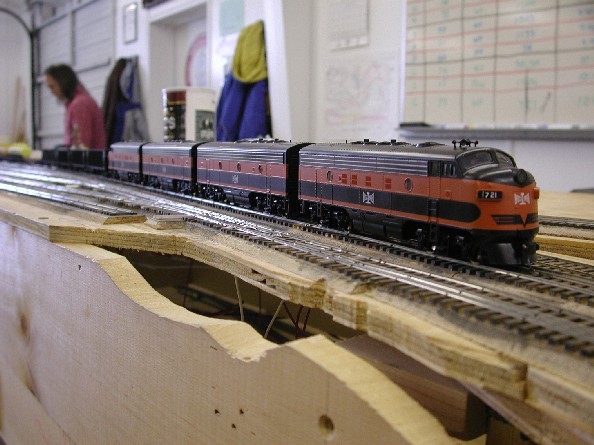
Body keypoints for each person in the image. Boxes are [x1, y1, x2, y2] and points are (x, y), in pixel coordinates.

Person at [45, 64, 106, 149]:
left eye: (52, 87)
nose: (52, 92)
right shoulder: (78, 102)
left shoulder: (79, 105)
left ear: (63, 83)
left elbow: (81, 146)